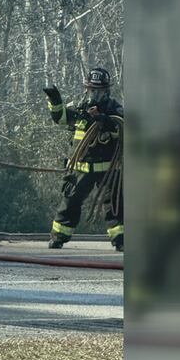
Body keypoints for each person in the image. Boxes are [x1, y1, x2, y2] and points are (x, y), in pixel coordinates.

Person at [43, 67, 124, 251]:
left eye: (98, 91)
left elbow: (122, 128)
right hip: (81, 168)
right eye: (91, 90)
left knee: (115, 205)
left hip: (109, 170)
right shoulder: (80, 108)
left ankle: (121, 239)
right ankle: (58, 237)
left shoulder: (115, 109)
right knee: (69, 202)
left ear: (106, 91)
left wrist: (104, 120)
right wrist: (55, 101)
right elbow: (61, 118)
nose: (94, 95)